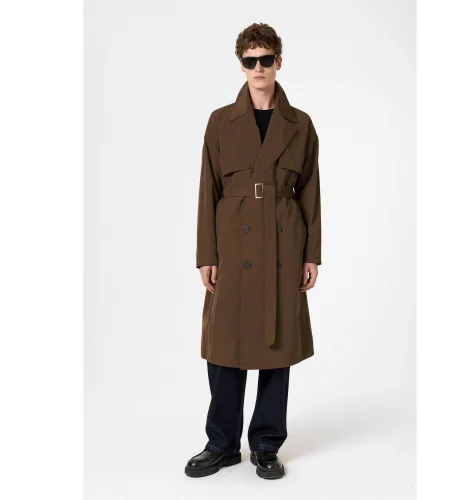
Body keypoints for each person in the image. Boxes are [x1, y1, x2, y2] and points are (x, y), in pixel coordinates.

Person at [185, 22, 322, 480]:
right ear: (241, 65)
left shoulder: (300, 124)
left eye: (266, 59)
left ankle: (266, 444)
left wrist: (311, 254)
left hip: (284, 245)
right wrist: (207, 254)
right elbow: (207, 190)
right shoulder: (220, 121)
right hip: (232, 243)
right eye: (250, 60)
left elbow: (310, 193)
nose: (258, 68)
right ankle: (221, 444)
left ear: (278, 62)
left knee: (276, 346)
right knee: (225, 345)